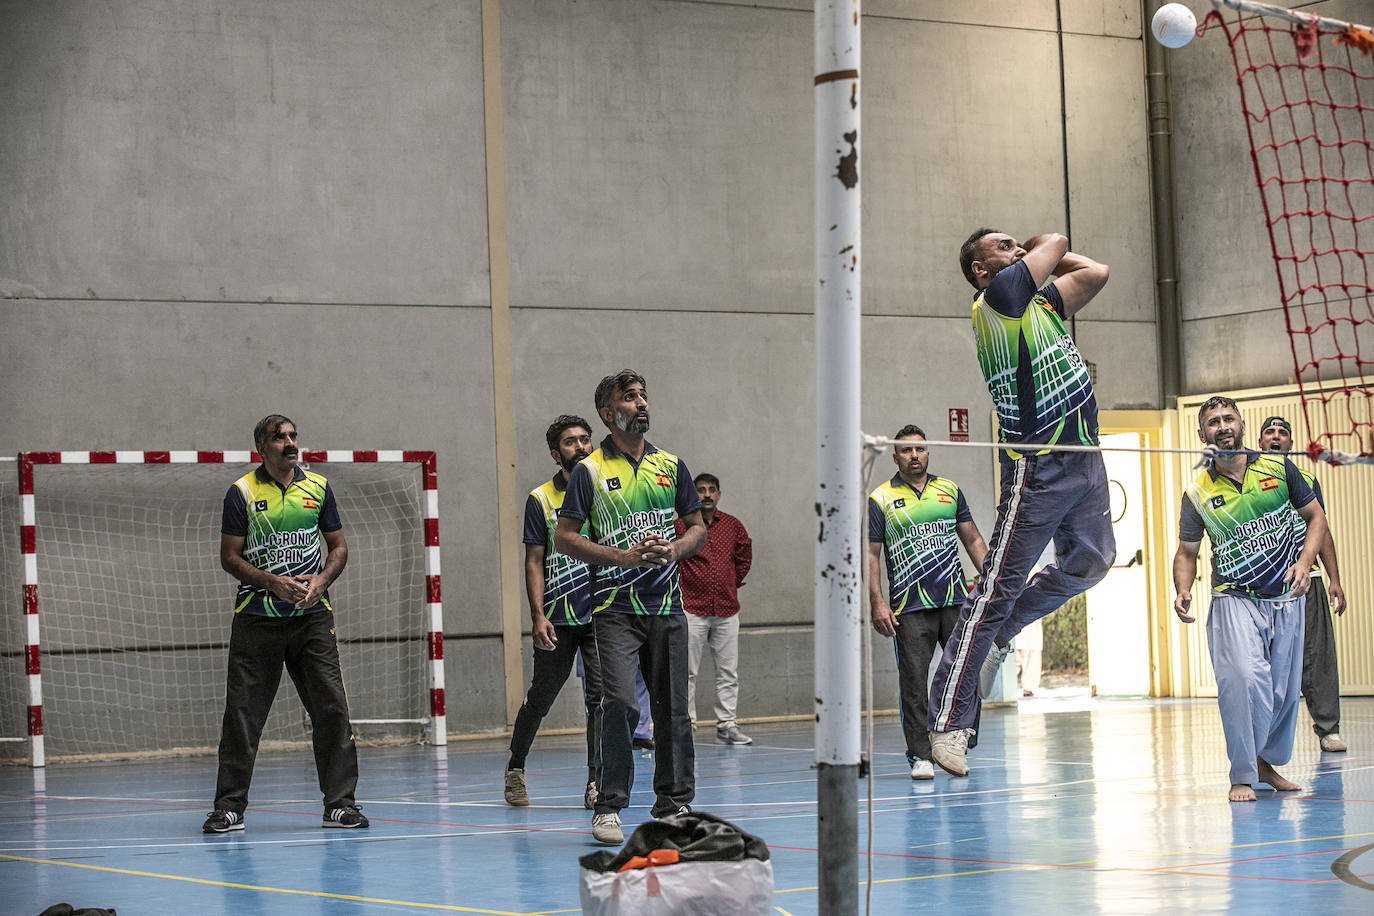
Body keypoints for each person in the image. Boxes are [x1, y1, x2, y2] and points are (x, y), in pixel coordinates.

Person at [926, 229, 1116, 777]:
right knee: (993, 591)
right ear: (981, 270)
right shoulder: (997, 300)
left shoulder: (1038, 302)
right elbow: (1055, 242)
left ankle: (1004, 633)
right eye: (1002, 246)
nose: (1014, 251)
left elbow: (1096, 273)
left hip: (1085, 459)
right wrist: (1038, 242)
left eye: (1016, 246)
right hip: (1038, 466)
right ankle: (948, 724)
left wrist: (1041, 253)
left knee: (1093, 562)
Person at [555, 370, 707, 845]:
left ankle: (675, 803)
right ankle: (609, 806)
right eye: (629, 398)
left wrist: (676, 550)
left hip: (667, 606)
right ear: (609, 412)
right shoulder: (590, 471)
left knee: (673, 710)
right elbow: (565, 537)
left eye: (643, 396)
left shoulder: (672, 465)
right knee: (618, 703)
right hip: (615, 609)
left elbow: (697, 527)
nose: (641, 404)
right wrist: (622, 557)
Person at [203, 415, 367, 833]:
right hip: (257, 620)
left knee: (331, 709)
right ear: (263, 448)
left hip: (312, 619)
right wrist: (271, 582)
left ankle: (340, 804)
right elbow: (230, 557)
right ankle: (229, 807)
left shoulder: (319, 487)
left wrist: (323, 579)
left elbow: (339, 547)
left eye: (294, 436)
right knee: (243, 715)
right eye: (280, 438)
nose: (290, 443)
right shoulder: (241, 492)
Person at [1173, 396, 1328, 802]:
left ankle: (1264, 764)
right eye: (1212, 422)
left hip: (1287, 596)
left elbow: (1316, 518)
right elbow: (1186, 552)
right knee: (1243, 680)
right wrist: (1183, 588)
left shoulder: (1279, 468)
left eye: (1228, 418)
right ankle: (1241, 773)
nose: (1222, 426)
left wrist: (1306, 561)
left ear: (1242, 424)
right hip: (1234, 599)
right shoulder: (1197, 492)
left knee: (1279, 692)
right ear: (1201, 433)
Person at [868, 425, 988, 779]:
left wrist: (995, 582)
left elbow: (974, 540)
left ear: (928, 452)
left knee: (966, 673)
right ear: (896, 457)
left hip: (954, 600)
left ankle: (956, 740)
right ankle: (920, 755)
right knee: (914, 684)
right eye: (906, 451)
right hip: (909, 607)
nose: (914, 455)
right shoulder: (881, 498)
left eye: (919, 449)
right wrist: (877, 602)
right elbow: (871, 555)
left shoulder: (948, 490)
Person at [505, 416, 601, 810]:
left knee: (601, 700)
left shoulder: (606, 490)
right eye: (569, 442)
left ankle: (597, 781)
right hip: (558, 618)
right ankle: (515, 768)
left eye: (584, 439)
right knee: (540, 698)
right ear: (554, 452)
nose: (579, 447)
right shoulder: (541, 498)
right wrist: (537, 615)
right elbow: (533, 560)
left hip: (602, 613)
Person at [1258, 415, 1350, 752]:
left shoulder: (1307, 478)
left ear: (1291, 443)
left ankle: (1329, 729)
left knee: (1318, 658)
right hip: (1266, 587)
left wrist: (1334, 578)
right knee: (1264, 663)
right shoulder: (1252, 477)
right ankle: (1263, 737)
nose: (1276, 437)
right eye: (1270, 432)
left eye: (1283, 432)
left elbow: (1320, 528)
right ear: (1260, 442)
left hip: (1306, 582)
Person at [675, 473, 754, 745]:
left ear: (719, 494)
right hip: (691, 608)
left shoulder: (733, 526)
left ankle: (728, 725)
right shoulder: (680, 526)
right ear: (692, 494)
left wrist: (730, 583)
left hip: (727, 610)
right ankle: (687, 726)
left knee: (728, 672)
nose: (706, 495)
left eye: (711, 490)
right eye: (700, 490)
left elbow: (744, 557)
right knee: (687, 672)